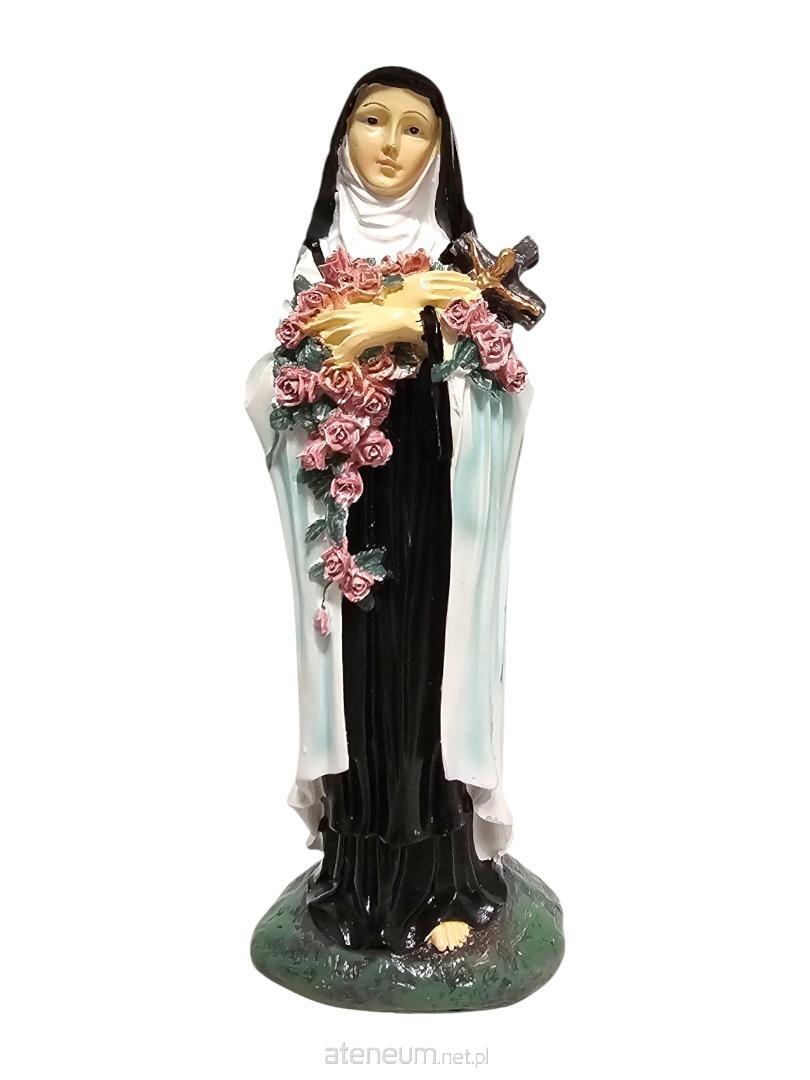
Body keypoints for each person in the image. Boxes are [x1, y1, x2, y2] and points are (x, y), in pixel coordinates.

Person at [246, 67, 535, 953]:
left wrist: (408, 327)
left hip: (432, 520)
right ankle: (353, 885)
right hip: (347, 524)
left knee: (421, 698)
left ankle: (441, 884)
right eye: (373, 121)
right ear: (343, 139)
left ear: (438, 154)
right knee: (359, 698)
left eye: (415, 129)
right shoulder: (319, 263)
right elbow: (278, 383)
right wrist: (321, 366)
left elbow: (506, 387)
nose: (390, 144)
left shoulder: (457, 262)